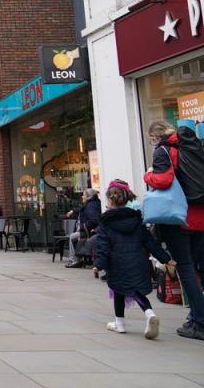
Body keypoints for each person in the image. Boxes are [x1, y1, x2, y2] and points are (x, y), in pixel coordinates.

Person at [93, 179, 175, 338]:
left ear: (110, 200)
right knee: (137, 291)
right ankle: (150, 314)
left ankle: (120, 323)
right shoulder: (137, 219)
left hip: (116, 263)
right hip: (137, 261)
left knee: (118, 290)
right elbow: (150, 243)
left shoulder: (105, 222)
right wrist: (166, 259)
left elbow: (103, 246)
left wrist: (99, 264)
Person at [145, 120, 204, 340]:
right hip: (200, 216)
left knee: (185, 268)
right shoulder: (193, 147)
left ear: (155, 136)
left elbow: (163, 180)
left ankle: (200, 323)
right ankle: (195, 316)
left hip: (179, 218)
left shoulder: (164, 151)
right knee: (197, 268)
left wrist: (148, 175)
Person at [64, 188, 101, 268]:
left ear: (88, 197)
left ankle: (75, 260)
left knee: (73, 237)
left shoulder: (91, 206)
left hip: (89, 231)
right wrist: (73, 211)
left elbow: (94, 220)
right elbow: (81, 210)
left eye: (83, 195)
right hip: (86, 230)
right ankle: (77, 259)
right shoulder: (90, 204)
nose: (82, 196)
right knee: (73, 236)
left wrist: (82, 227)